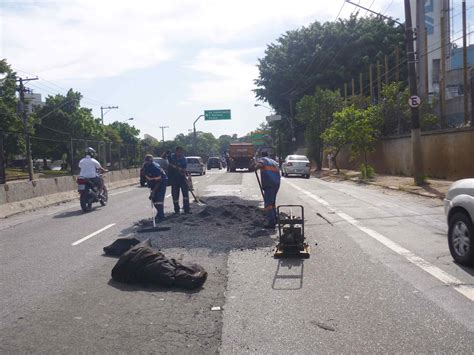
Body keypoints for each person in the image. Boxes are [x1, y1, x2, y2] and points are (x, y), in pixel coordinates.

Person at [255, 151, 281, 229]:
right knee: (272, 202)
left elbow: (259, 165)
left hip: (269, 183)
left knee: (268, 204)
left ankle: (271, 222)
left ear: (262, 155)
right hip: (276, 183)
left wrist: (255, 166)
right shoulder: (273, 161)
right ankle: (275, 218)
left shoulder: (263, 160)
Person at [143, 154, 168, 221]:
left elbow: (159, 181)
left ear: (151, 161)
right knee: (154, 199)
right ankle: (159, 214)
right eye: (146, 161)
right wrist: (149, 184)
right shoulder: (145, 166)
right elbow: (148, 176)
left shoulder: (155, 167)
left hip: (161, 182)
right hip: (154, 182)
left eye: (148, 161)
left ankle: (161, 216)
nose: (146, 162)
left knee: (159, 199)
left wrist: (153, 191)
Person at [166, 146, 191, 214]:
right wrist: (166, 153)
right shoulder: (171, 157)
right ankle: (176, 210)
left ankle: (186, 209)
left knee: (185, 195)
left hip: (182, 178)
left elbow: (184, 169)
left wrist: (178, 168)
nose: (179, 153)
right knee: (175, 195)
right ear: (176, 151)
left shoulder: (184, 159)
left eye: (180, 152)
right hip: (174, 179)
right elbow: (163, 157)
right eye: (178, 151)